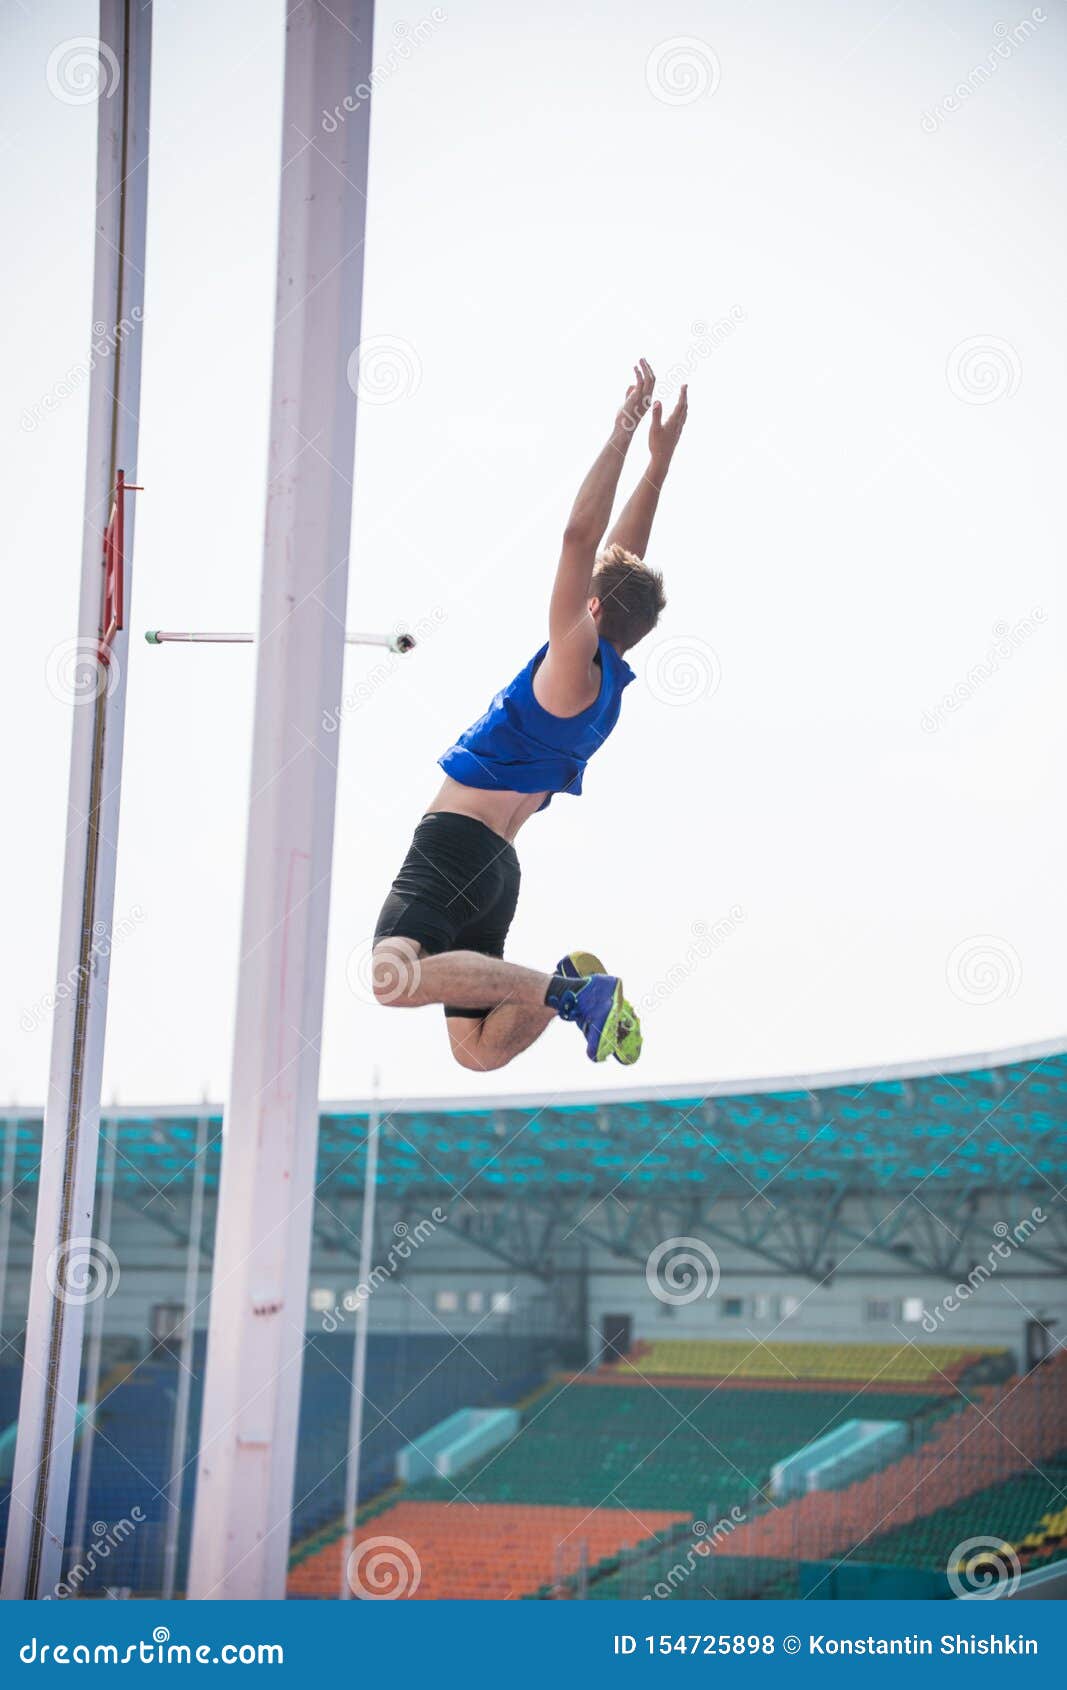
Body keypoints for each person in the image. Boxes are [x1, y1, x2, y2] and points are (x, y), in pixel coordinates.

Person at [372, 359, 688, 1070]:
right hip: (495, 866)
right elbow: (617, 557)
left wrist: (622, 431)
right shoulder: (600, 687)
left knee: (391, 976)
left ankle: (574, 994)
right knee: (477, 1052)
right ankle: (565, 990)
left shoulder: (570, 668)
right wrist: (654, 470)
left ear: (594, 609)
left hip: (455, 845)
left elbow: (582, 540)